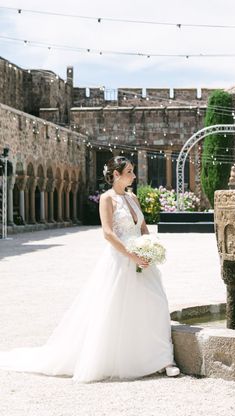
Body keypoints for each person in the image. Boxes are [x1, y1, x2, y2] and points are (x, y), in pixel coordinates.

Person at [0, 156, 179, 382]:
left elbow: (142, 227)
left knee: (156, 304)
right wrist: (132, 255)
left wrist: (149, 248)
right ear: (116, 174)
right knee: (118, 310)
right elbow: (108, 233)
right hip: (121, 261)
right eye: (130, 171)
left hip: (143, 261)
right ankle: (127, 359)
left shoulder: (133, 197)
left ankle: (163, 358)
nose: (134, 176)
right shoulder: (107, 199)